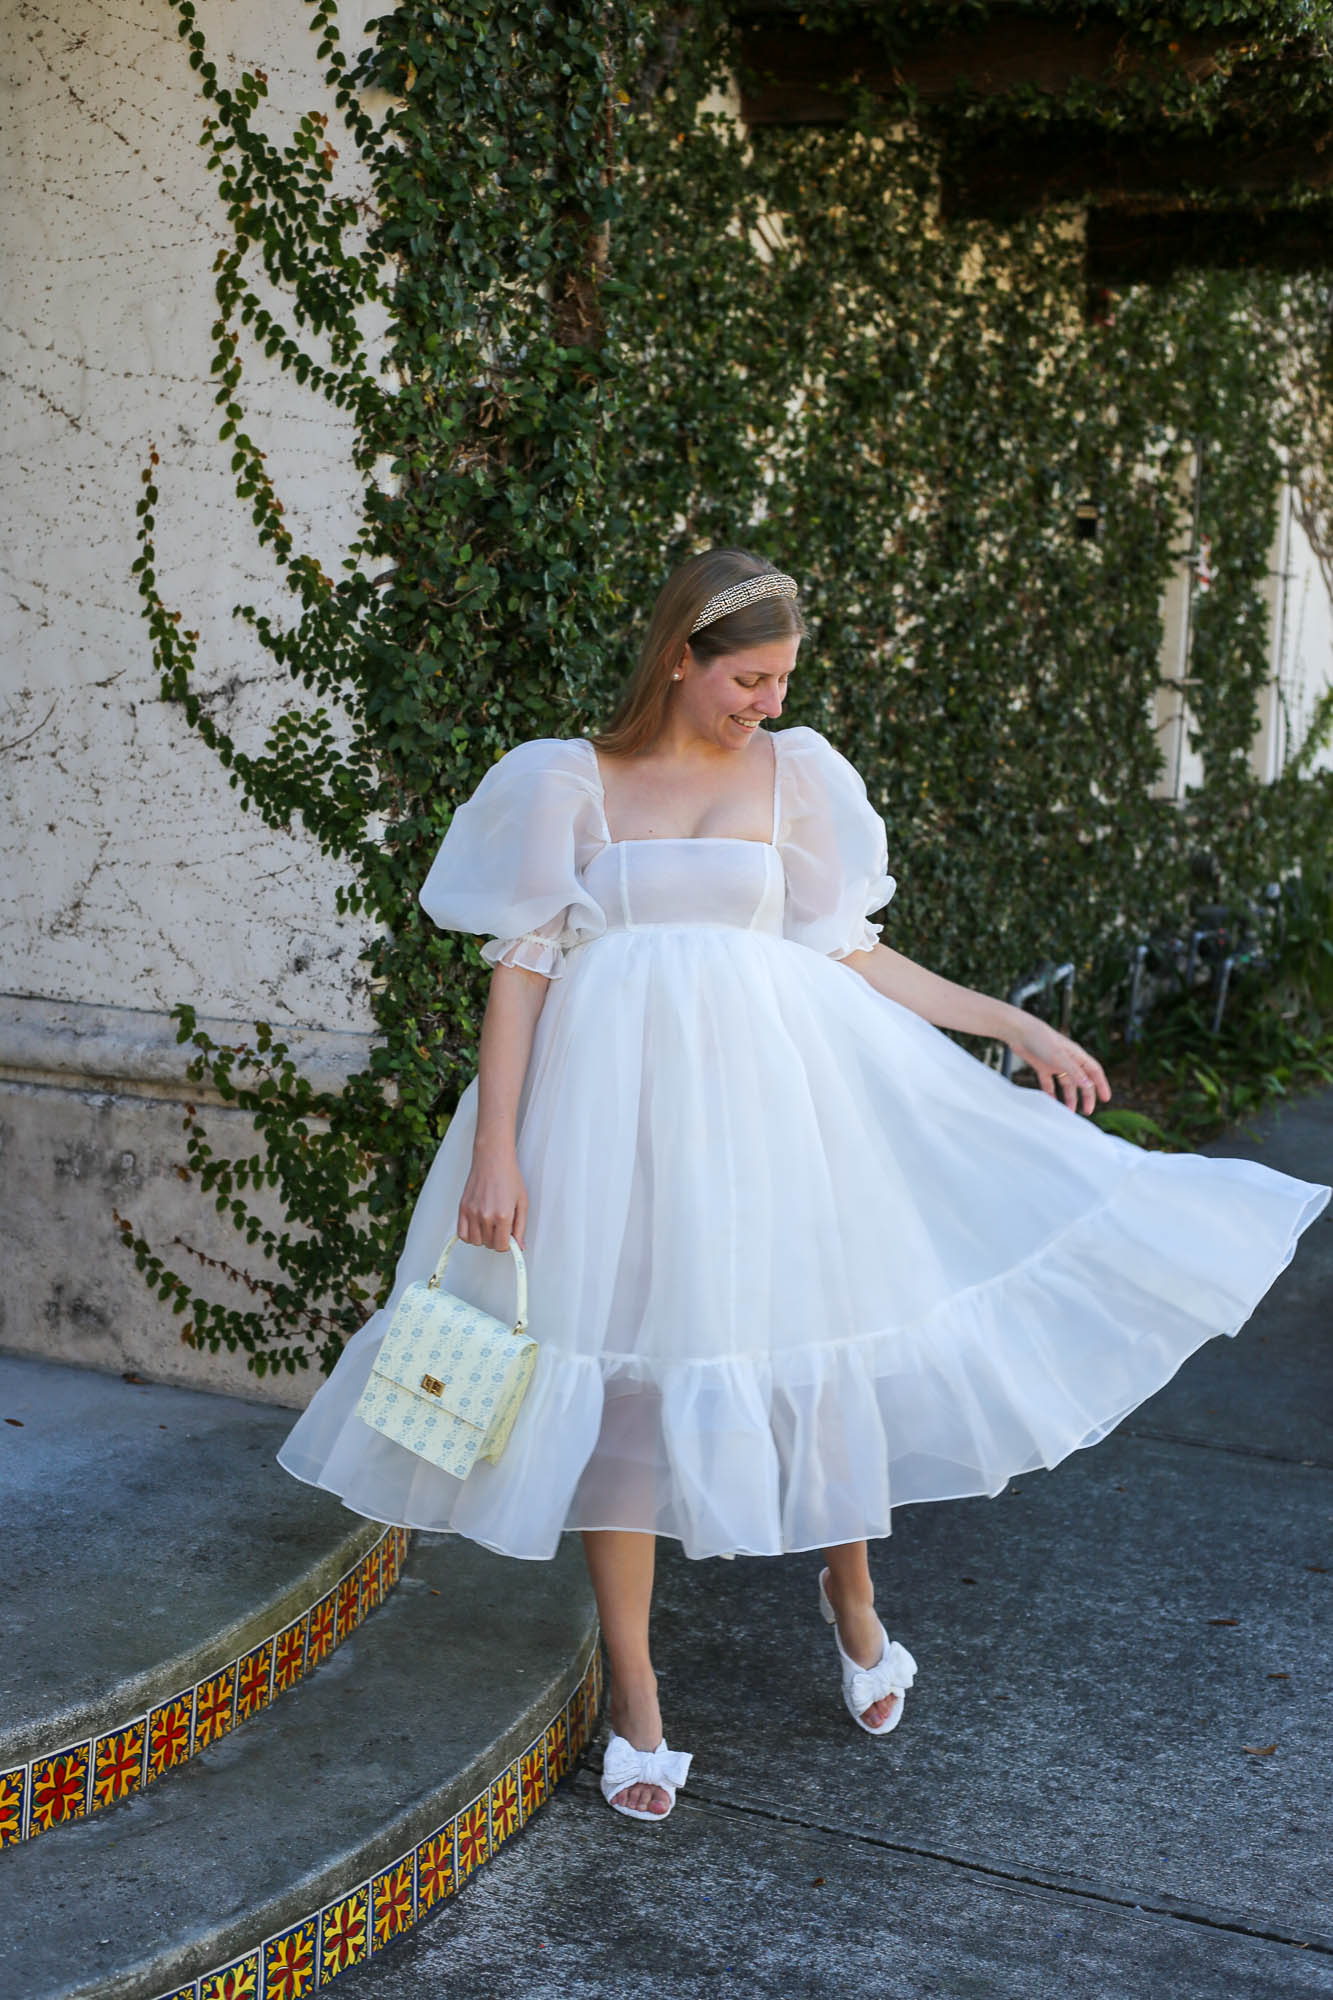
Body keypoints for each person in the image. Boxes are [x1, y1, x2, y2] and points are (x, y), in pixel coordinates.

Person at [278, 548, 1331, 1825]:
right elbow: (522, 972)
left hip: (776, 1120)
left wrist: (1012, 1024)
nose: (766, 701)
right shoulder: (570, 781)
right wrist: (494, 1147)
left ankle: (853, 1596)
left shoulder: (799, 776)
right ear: (681, 656)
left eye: (781, 680)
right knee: (614, 1389)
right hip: (603, 1137)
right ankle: (637, 1692)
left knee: (815, 1358)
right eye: (749, 677)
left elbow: (854, 953)